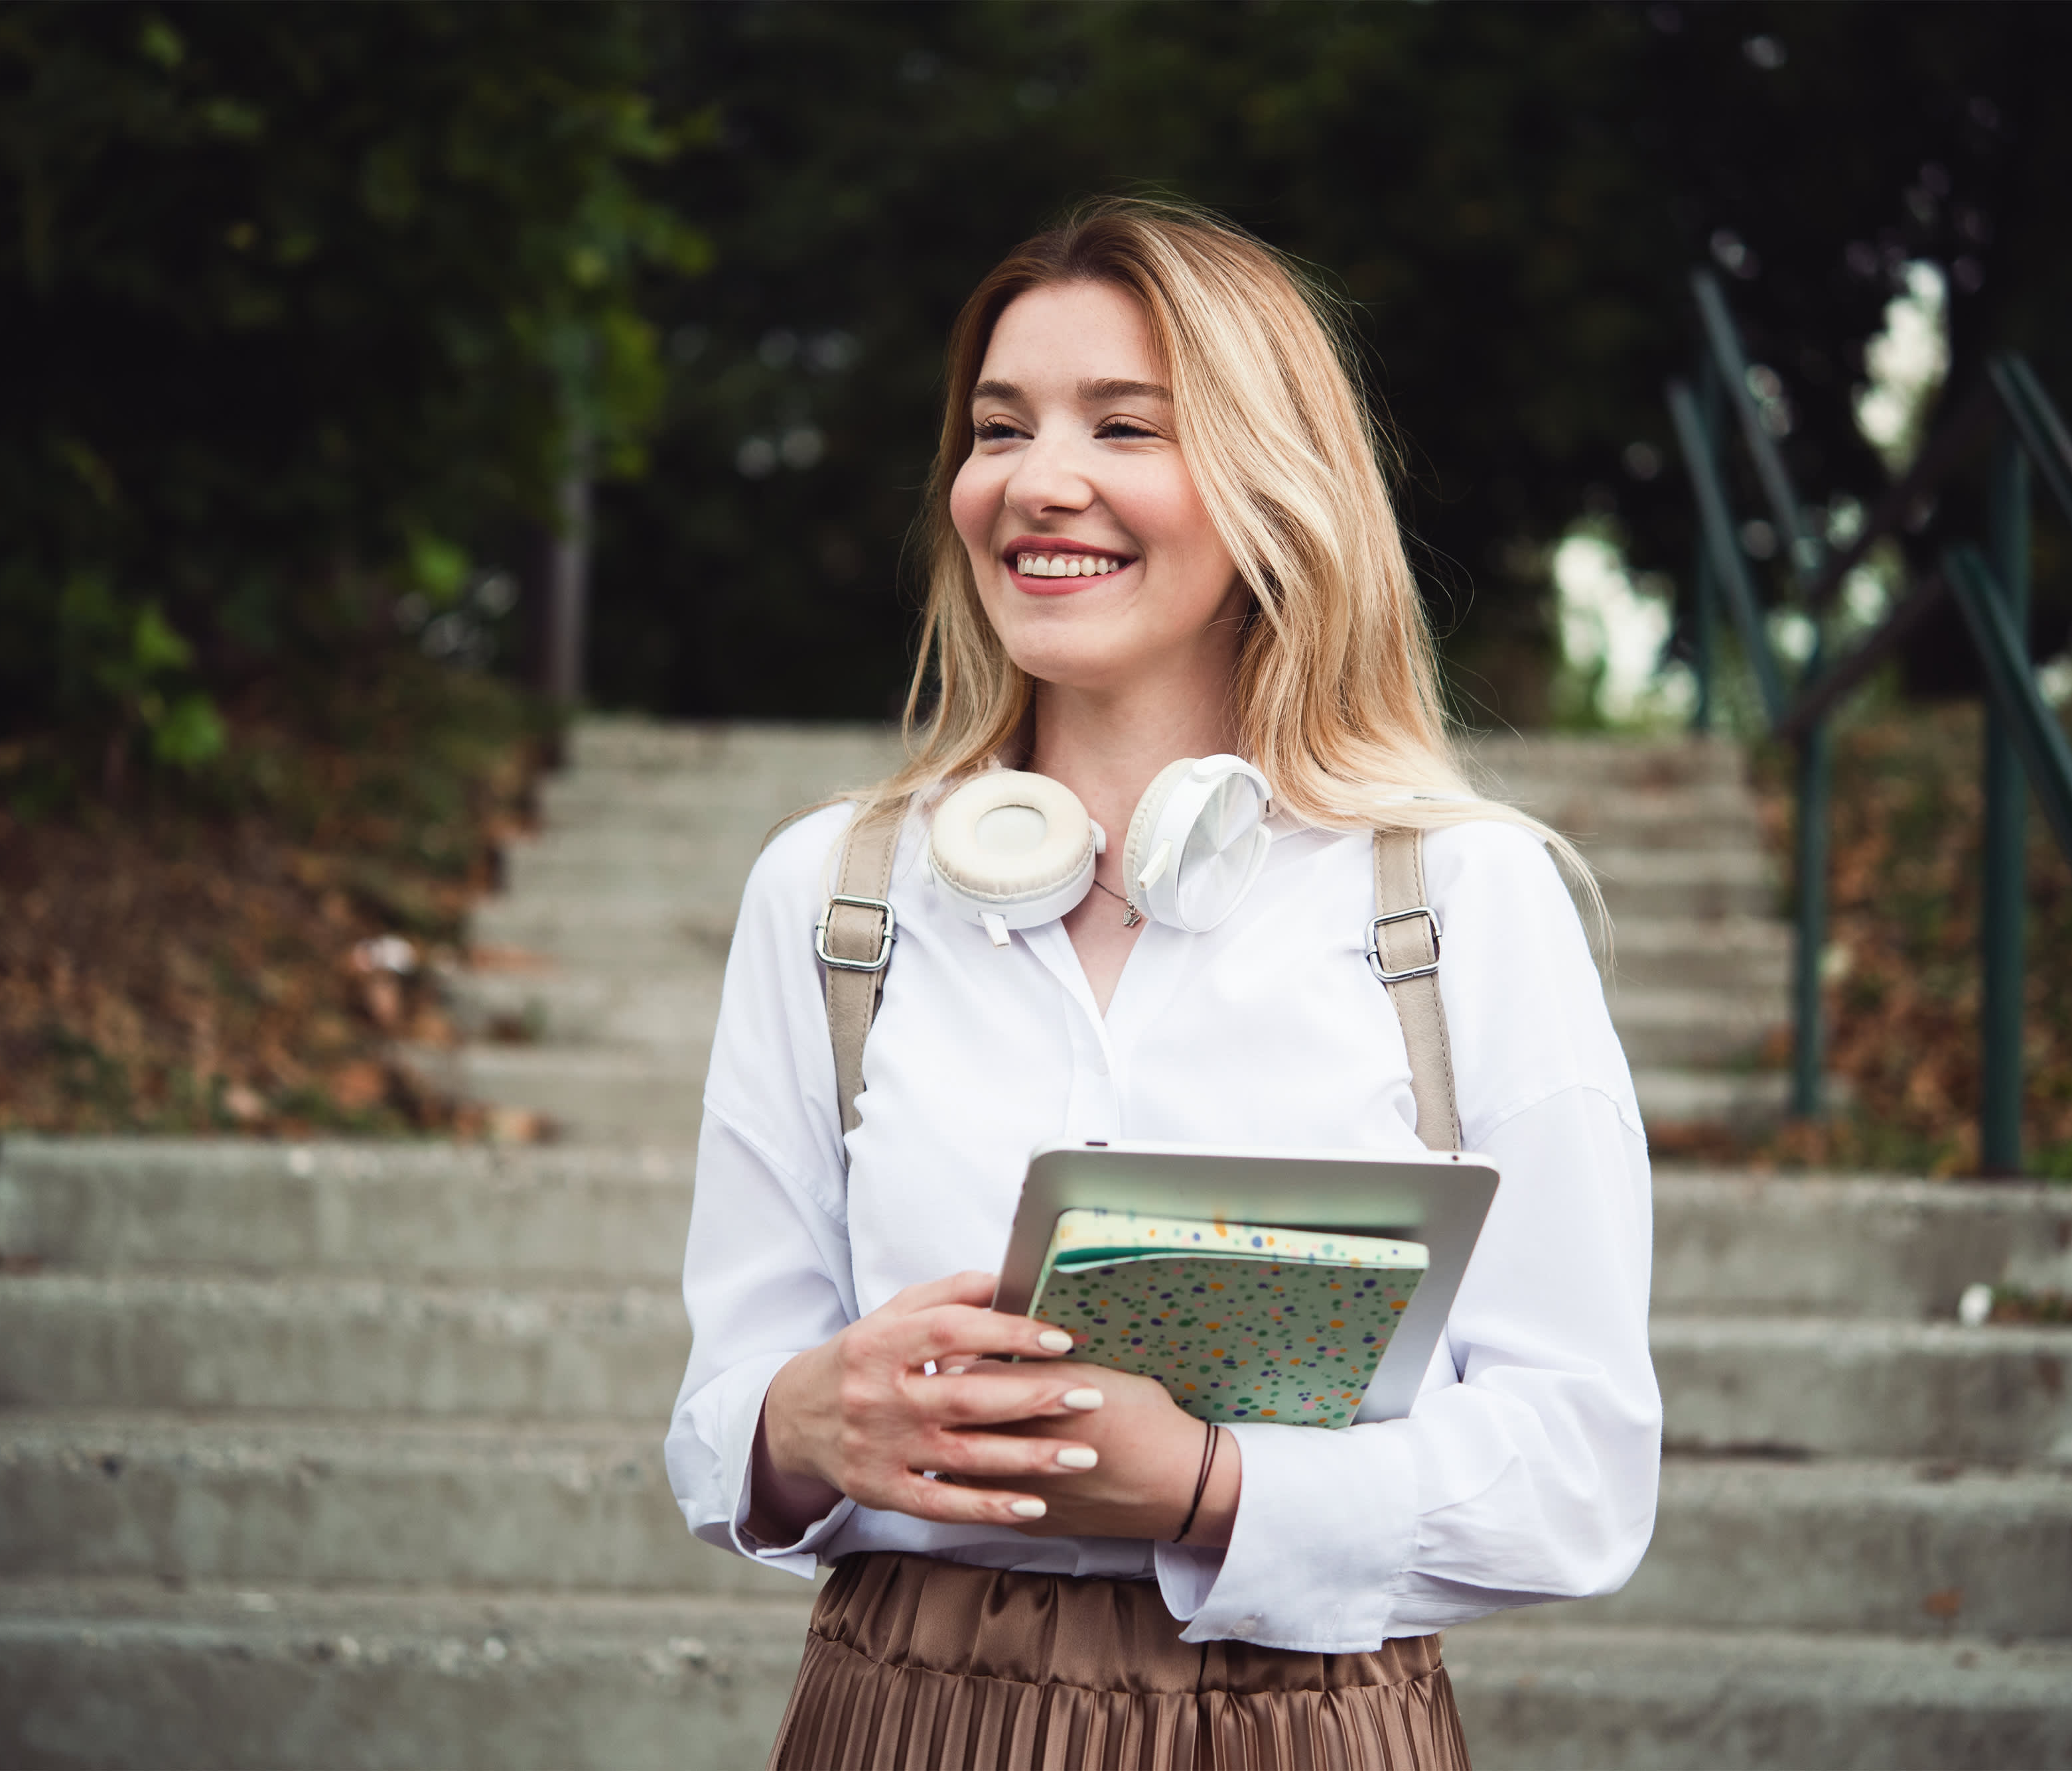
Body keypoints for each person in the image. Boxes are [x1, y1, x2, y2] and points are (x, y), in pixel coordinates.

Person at [665, 197, 1659, 1770]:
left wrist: (1213, 1490)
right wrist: (799, 1425)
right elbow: (718, 1412)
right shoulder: (833, 894)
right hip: (901, 1710)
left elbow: (1582, 1473)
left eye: (1124, 426)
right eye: (998, 428)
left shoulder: (1463, 899)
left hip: (1310, 1722)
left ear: (1272, 483)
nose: (1036, 480)